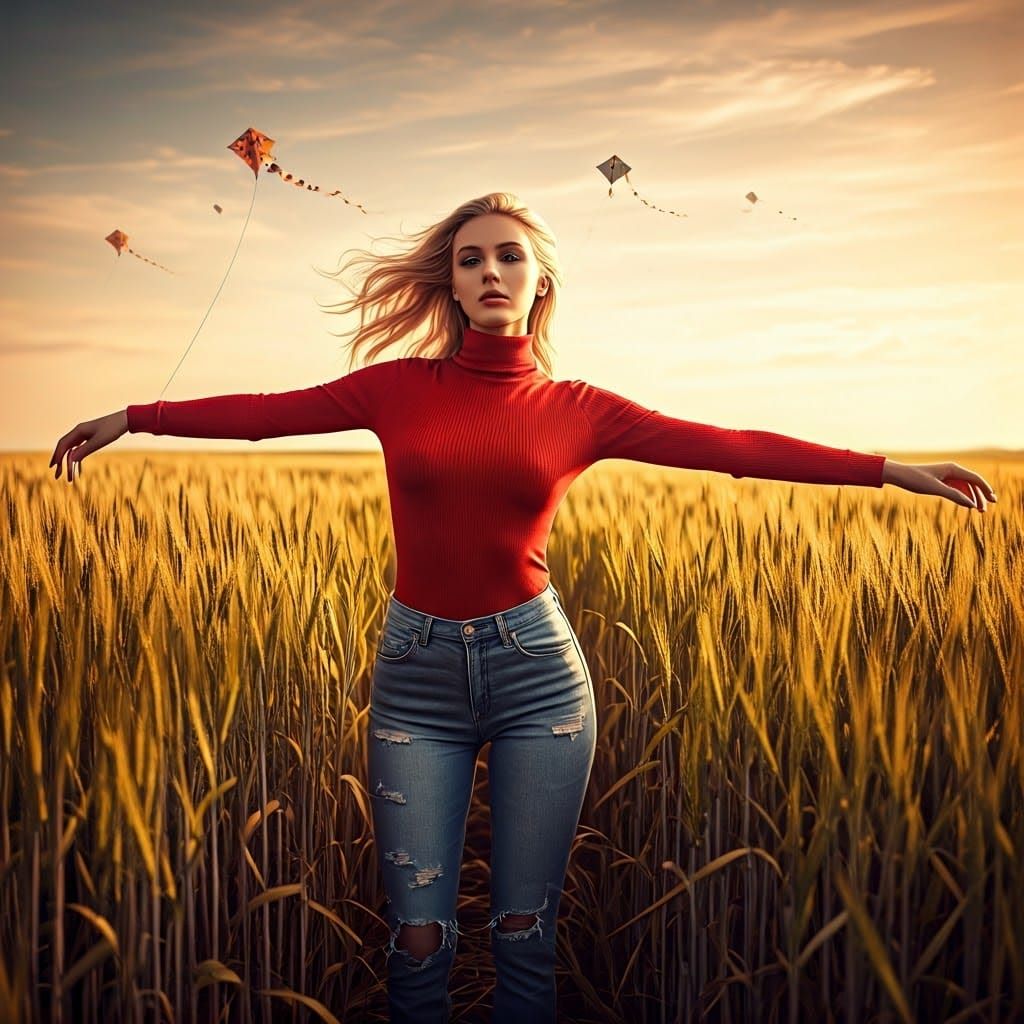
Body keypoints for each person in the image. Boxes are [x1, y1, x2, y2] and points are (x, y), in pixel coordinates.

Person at [49, 192, 997, 1022]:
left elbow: (734, 446)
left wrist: (894, 473)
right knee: (417, 938)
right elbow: (265, 413)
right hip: (415, 679)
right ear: (449, 284)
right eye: (470, 258)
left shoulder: (581, 408)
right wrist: (136, 417)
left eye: (510, 256)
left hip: (537, 675)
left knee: (524, 932)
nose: (490, 270)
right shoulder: (396, 389)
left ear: (541, 283)